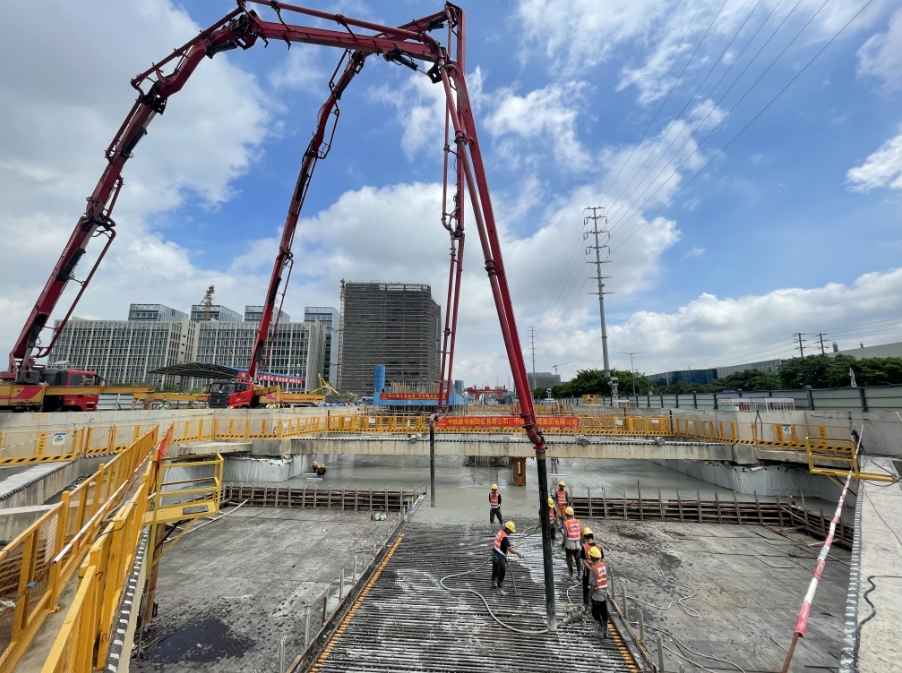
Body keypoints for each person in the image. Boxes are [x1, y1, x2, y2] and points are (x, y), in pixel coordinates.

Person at [491, 521, 522, 595]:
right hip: (499, 558)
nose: (511, 532)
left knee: (495, 570)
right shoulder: (504, 538)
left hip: (494, 555)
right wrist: (517, 552)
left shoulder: (500, 532)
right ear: (507, 529)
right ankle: (499, 589)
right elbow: (509, 549)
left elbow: (500, 546)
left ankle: (492, 583)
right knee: (501, 573)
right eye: (511, 531)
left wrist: (505, 556)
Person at [585, 545, 609, 638]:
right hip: (604, 591)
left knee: (595, 611)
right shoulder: (603, 565)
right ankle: (605, 632)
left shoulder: (593, 569)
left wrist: (589, 595)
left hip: (597, 592)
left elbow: (593, 585)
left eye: (590, 556)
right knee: (604, 611)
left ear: (593, 557)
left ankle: (599, 632)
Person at [580, 528, 600, 606]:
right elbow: (602, 560)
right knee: (595, 586)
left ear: (585, 537)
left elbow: (584, 561)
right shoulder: (599, 547)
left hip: (588, 571)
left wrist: (591, 569)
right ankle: (594, 601)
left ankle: (586, 602)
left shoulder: (584, 547)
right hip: (597, 571)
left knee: (586, 587)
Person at [562, 506, 582, 578]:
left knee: (569, 560)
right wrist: (581, 541)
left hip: (569, 544)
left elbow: (565, 534)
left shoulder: (566, 523)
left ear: (566, 514)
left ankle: (571, 576)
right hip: (577, 543)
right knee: (578, 560)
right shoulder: (578, 521)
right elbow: (581, 531)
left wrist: (563, 543)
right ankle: (579, 574)